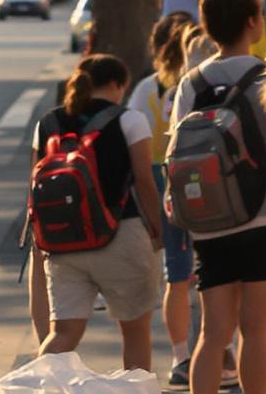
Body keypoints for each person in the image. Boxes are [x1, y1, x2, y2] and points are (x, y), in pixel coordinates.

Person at [173, 0, 266, 394]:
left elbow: (179, 151)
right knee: (255, 331)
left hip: (209, 222)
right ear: (252, 23)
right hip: (261, 217)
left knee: (212, 334)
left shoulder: (191, 82)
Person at [28, 54, 165, 371]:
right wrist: (157, 228)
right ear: (118, 85)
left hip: (62, 242)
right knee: (134, 331)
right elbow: (144, 181)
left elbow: (34, 180)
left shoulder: (48, 122)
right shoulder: (129, 120)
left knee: (62, 334)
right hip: (120, 234)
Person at [129, 15, 201, 394]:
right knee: (211, 270)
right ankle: (221, 351)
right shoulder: (201, 81)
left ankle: (180, 357)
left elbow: (132, 142)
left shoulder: (147, 89)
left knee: (176, 271)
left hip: (160, 177)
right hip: (204, 177)